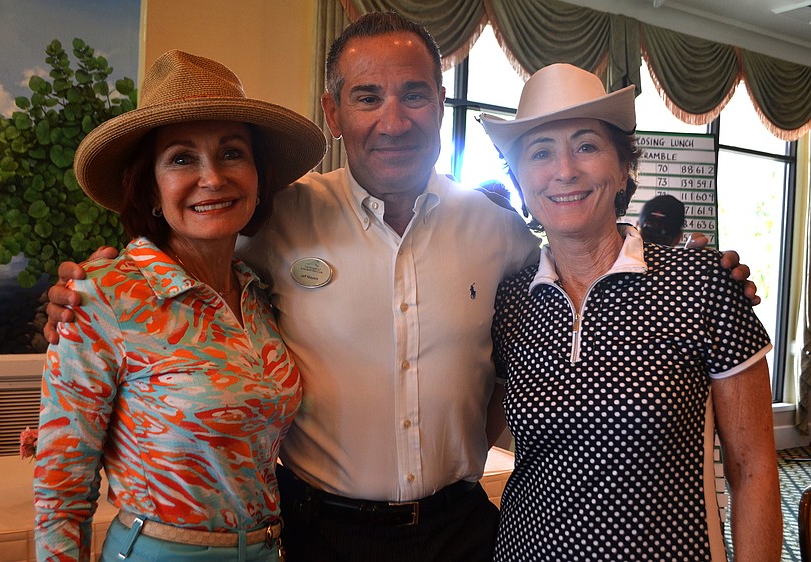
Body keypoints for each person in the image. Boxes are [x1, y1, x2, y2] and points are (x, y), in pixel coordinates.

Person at [43, 13, 759, 562]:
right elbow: (187, 250)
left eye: (415, 94)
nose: (394, 119)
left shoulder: (502, 236)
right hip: (317, 533)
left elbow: (575, 261)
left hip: (461, 529)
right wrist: (86, 288)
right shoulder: (276, 220)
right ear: (334, 114)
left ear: (440, 102)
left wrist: (704, 270)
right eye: (367, 97)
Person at [33, 50, 326, 562]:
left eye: (232, 152)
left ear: (259, 175)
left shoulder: (258, 292)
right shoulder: (103, 295)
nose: (212, 178)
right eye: (182, 158)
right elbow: (61, 494)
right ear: (151, 187)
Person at [481, 63, 782, 561]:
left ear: (624, 168)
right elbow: (472, 431)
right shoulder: (511, 300)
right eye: (540, 152)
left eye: (586, 145)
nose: (565, 170)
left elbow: (753, 469)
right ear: (520, 182)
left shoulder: (702, 283)